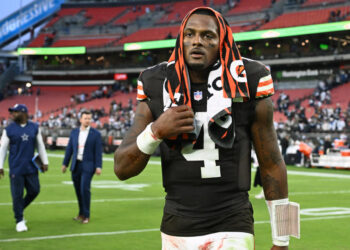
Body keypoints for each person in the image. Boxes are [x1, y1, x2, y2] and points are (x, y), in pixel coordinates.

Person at [114, 7, 299, 249]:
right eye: (189, 34)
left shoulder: (249, 79)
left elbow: (273, 163)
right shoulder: (156, 82)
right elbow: (121, 168)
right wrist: (155, 131)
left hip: (233, 223)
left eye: (207, 35)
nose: (196, 42)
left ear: (222, 41)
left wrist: (283, 240)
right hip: (176, 225)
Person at [0, 104, 49, 232]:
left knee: (35, 190)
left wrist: (45, 161)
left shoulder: (34, 127)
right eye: (12, 112)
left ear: (24, 113)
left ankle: (18, 209)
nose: (13, 114)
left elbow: (40, 145)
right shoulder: (8, 129)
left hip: (31, 167)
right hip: (16, 168)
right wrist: (0, 166)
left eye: (16, 112)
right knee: (17, 195)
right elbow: (3, 149)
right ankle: (19, 220)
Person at [62, 110, 102, 224]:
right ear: (80, 119)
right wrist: (65, 163)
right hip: (76, 165)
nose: (88, 120)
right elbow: (69, 149)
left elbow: (98, 152)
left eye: (89, 118)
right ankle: (81, 213)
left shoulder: (96, 134)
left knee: (85, 189)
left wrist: (98, 166)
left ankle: (87, 215)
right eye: (85, 118)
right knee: (78, 190)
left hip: (88, 166)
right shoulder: (74, 132)